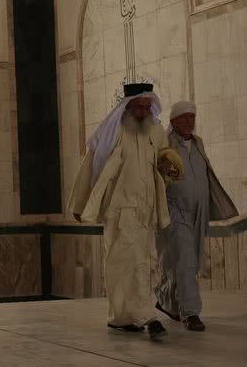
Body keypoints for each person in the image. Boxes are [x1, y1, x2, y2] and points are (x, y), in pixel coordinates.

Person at [67, 83, 174, 340]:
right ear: (127, 107)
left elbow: (164, 160)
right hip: (120, 212)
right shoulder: (113, 131)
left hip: (145, 212)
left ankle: (121, 318)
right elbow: (92, 168)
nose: (143, 112)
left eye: (147, 107)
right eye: (138, 107)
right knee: (129, 263)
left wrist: (170, 168)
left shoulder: (156, 131)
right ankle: (147, 316)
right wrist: (81, 205)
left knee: (131, 265)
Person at [155, 101, 237, 332]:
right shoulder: (165, 143)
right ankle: (191, 313)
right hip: (174, 209)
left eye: (192, 117)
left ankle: (166, 300)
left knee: (190, 261)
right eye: (184, 117)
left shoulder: (198, 143)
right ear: (173, 122)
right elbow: (156, 174)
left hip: (199, 211)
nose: (190, 121)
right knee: (185, 257)